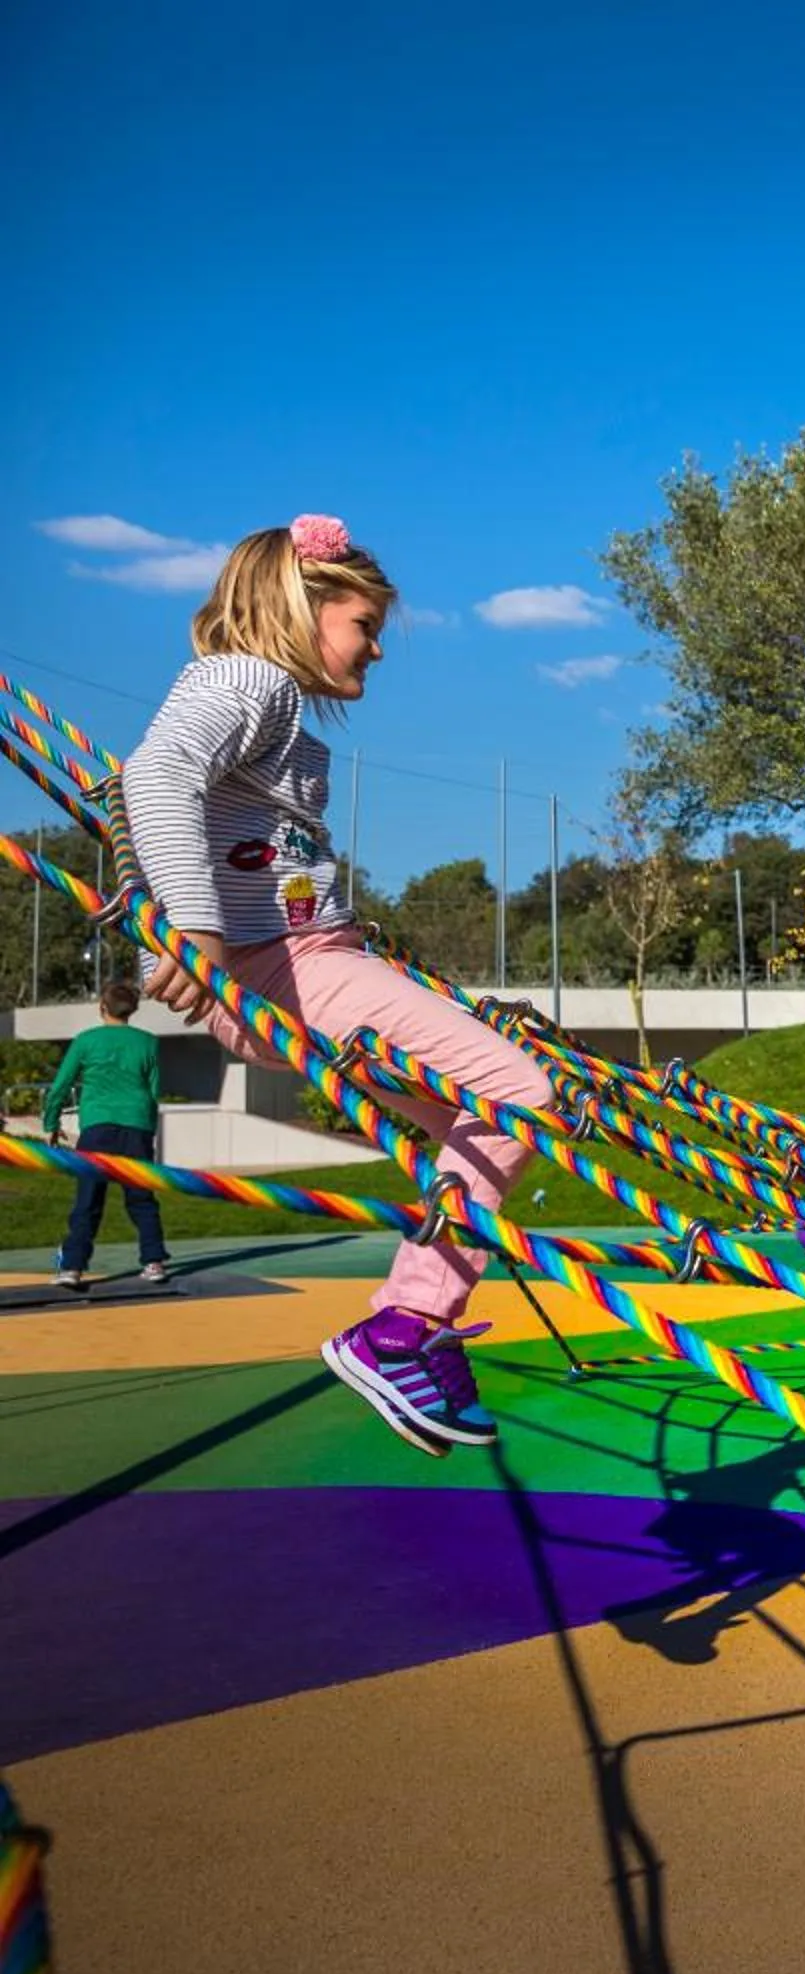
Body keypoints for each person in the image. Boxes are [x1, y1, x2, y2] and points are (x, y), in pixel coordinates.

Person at [115, 515, 554, 1456]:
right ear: (300, 608)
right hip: (294, 969)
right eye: (364, 623)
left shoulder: (269, 699)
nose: (378, 646)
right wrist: (198, 930)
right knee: (521, 1090)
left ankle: (419, 1331)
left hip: (312, 963)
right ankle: (403, 1326)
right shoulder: (252, 678)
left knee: (469, 1135)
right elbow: (154, 778)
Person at [43, 979, 173, 1286]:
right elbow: (154, 1092)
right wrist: (148, 1131)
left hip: (98, 1130)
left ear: (103, 1007)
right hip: (136, 1127)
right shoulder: (148, 1042)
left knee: (88, 1199)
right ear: (132, 1010)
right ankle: (154, 1263)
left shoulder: (86, 1040)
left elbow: (61, 1085)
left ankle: (72, 1267)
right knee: (141, 1198)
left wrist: (51, 1124)